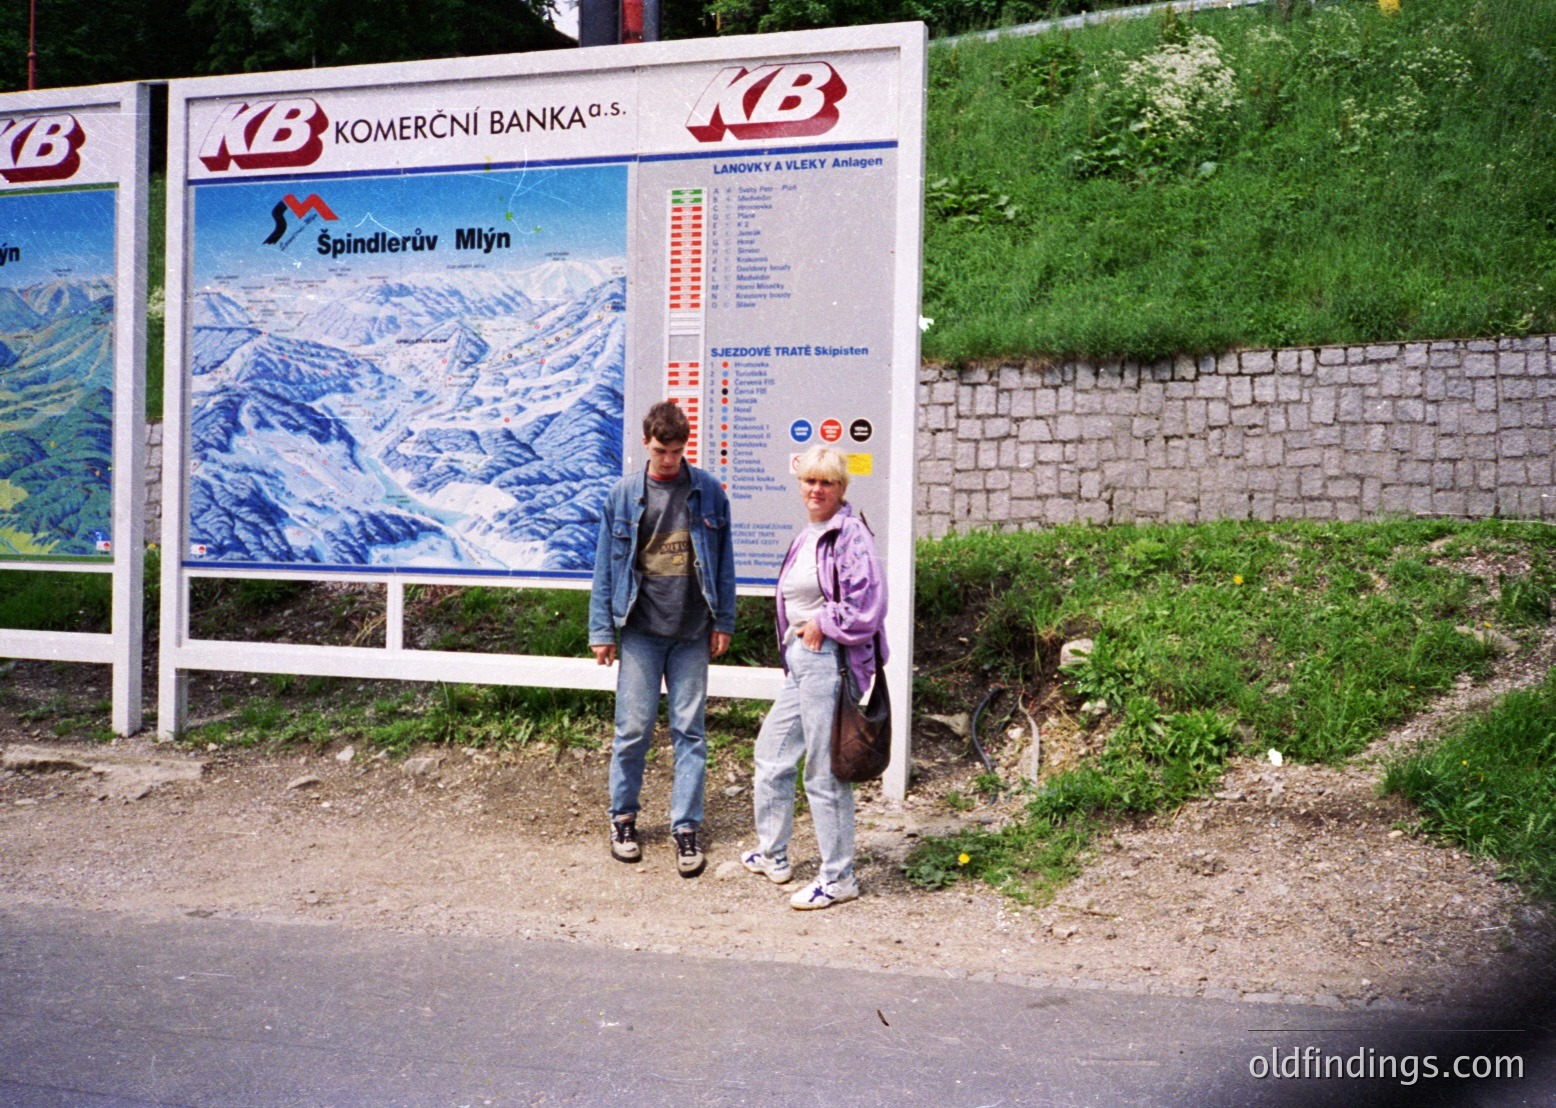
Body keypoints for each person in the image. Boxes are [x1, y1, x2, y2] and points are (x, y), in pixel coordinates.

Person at [589, 401, 735, 878]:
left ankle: (686, 828)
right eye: (659, 450)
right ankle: (623, 818)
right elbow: (604, 569)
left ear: (684, 445)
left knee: (690, 732)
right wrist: (601, 631)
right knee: (632, 730)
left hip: (693, 630)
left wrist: (724, 622)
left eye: (675, 450)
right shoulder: (623, 495)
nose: (668, 459)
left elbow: (725, 563)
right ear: (645, 444)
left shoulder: (709, 493)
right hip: (640, 632)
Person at [742, 445, 886, 909]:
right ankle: (773, 853)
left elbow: (867, 606)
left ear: (841, 488)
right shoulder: (810, 534)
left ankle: (839, 878)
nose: (816, 490)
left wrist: (823, 622)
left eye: (826, 482)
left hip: (829, 661)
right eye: (809, 481)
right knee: (772, 754)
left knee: (824, 774)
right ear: (800, 483)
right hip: (801, 662)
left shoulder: (851, 535)